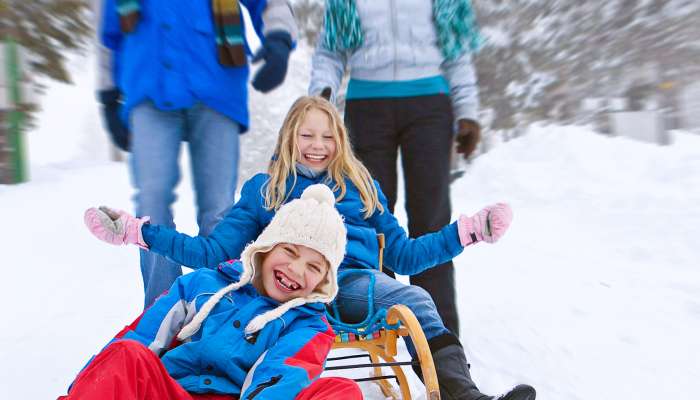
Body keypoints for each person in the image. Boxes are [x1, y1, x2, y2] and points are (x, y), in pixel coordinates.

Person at [85, 96, 536, 400]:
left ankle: (464, 396)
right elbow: (212, 251)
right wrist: (142, 234)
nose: (317, 146)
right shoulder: (266, 188)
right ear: (289, 138)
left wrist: (466, 233)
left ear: (339, 140)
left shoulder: (361, 187)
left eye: (327, 136)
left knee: (417, 297)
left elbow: (403, 255)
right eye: (306, 136)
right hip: (285, 294)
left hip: (352, 283)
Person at [64, 184, 362, 400]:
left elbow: (280, 378)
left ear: (324, 281)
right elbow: (142, 336)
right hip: (170, 392)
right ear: (264, 249)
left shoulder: (309, 326)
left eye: (314, 267)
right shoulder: (202, 285)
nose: (297, 270)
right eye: (289, 251)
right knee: (127, 353)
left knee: (341, 392)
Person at [98, 0, 298, 307]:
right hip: (148, 84)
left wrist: (279, 38)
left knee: (218, 210)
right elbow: (109, 30)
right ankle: (162, 309)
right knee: (151, 202)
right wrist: (108, 94)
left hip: (215, 85)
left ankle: (216, 307)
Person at [308, 0, 483, 338]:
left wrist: (468, 112)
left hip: (429, 105)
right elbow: (330, 52)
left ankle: (439, 337)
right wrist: (321, 97)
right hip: (366, 106)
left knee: (430, 220)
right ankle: (374, 327)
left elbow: (456, 50)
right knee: (369, 219)